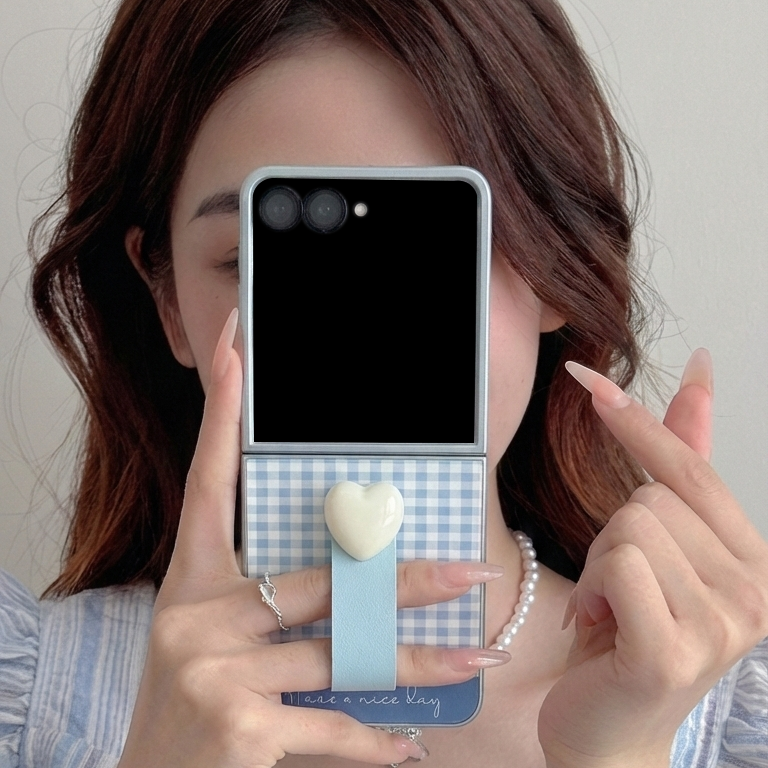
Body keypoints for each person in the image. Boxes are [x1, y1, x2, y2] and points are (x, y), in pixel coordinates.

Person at [1, 0, 766, 766]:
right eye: (260, 260)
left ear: (555, 263)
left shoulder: (729, 717)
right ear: (167, 300)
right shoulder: (33, 701)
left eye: (431, 246)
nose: (349, 332)